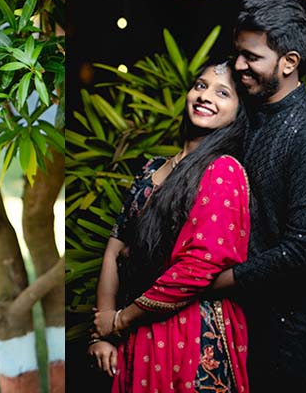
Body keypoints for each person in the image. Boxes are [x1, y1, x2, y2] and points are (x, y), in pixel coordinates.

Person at [211, 0, 306, 391]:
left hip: (290, 337)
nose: (238, 66)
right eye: (238, 54)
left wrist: (213, 282)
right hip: (238, 321)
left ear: (289, 63)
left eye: (252, 57)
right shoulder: (245, 112)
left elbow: (302, 249)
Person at [89, 61, 251, 392]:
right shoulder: (152, 170)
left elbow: (197, 268)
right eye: (201, 86)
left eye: (222, 93)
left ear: (239, 112)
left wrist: (120, 320)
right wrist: (102, 332)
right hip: (137, 333)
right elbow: (115, 248)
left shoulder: (223, 171)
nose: (206, 96)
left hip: (192, 333)